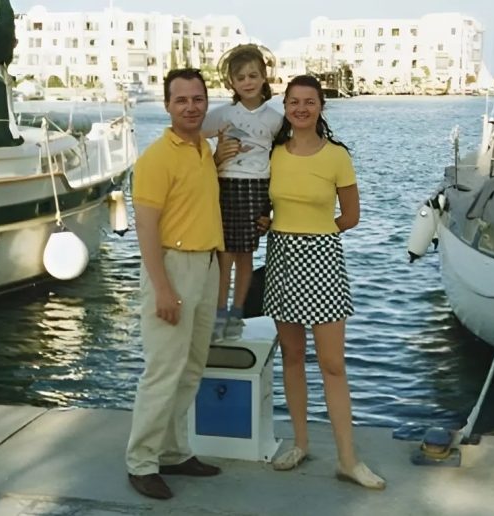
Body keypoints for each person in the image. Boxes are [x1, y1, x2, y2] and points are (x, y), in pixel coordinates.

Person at [261, 75, 386, 489]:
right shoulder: (273, 154)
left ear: (320, 107)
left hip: (323, 258)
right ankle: (300, 444)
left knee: (332, 364)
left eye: (309, 101)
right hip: (281, 256)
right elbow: (263, 204)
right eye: (294, 102)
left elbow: (351, 216)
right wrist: (273, 225)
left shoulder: (337, 156)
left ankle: (348, 460)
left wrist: (316, 233)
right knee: (292, 358)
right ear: (285, 106)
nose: (301, 108)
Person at [126, 68, 224, 500]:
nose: (191, 107)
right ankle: (141, 462)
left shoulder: (204, 149)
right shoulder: (155, 159)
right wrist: (162, 288)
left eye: (197, 99)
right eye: (181, 100)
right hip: (172, 267)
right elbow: (145, 227)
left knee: (191, 368)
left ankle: (172, 451)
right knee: (164, 370)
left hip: (206, 264)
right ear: (167, 105)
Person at [202, 44, 283, 342]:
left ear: (264, 77)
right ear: (231, 83)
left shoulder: (275, 119)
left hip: (257, 187)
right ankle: (219, 313)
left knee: (246, 256)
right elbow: (192, 139)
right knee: (224, 256)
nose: (247, 82)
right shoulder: (221, 115)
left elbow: (280, 160)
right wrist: (215, 156)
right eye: (240, 77)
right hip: (226, 186)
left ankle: (237, 313)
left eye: (253, 75)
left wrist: (271, 207)